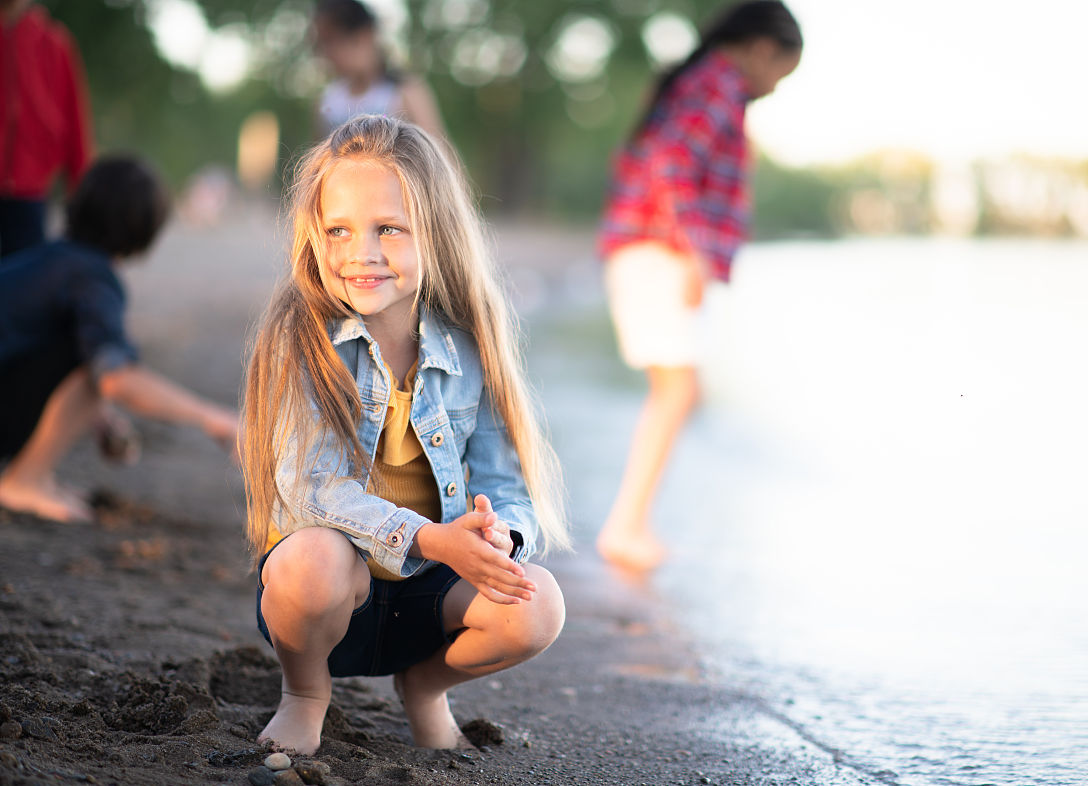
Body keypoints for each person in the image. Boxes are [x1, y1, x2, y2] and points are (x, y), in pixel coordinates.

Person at [241, 115, 569, 754]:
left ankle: (424, 686)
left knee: (537, 606)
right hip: (336, 591)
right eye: (338, 230)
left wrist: (501, 535)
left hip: (430, 591)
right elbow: (310, 489)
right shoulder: (303, 340)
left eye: (388, 228)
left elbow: (504, 483)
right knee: (312, 559)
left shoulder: (472, 348)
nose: (360, 252)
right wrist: (428, 537)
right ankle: (305, 694)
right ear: (314, 236)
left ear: (437, 235)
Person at [595, 1, 802, 571]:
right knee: (679, 390)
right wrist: (691, 250)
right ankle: (627, 525)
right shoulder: (716, 86)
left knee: (682, 390)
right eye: (782, 74)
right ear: (763, 50)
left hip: (653, 248)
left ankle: (634, 521)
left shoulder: (704, 83)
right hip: (660, 250)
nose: (776, 88)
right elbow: (670, 163)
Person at [0, 156, 240, 522]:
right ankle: (24, 480)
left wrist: (98, 415)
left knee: (89, 355)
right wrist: (214, 418)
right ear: (144, 230)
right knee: (98, 365)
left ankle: (35, 475)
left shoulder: (52, 259)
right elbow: (117, 379)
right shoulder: (93, 277)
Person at [0, 0, 92, 258]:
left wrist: (81, 192)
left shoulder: (54, 42)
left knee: (22, 281)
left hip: (30, 189)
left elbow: (75, 121)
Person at [311, 0, 445, 141]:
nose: (326, 53)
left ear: (364, 35)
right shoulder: (327, 102)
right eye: (322, 44)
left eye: (332, 40)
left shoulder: (405, 93)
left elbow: (438, 154)